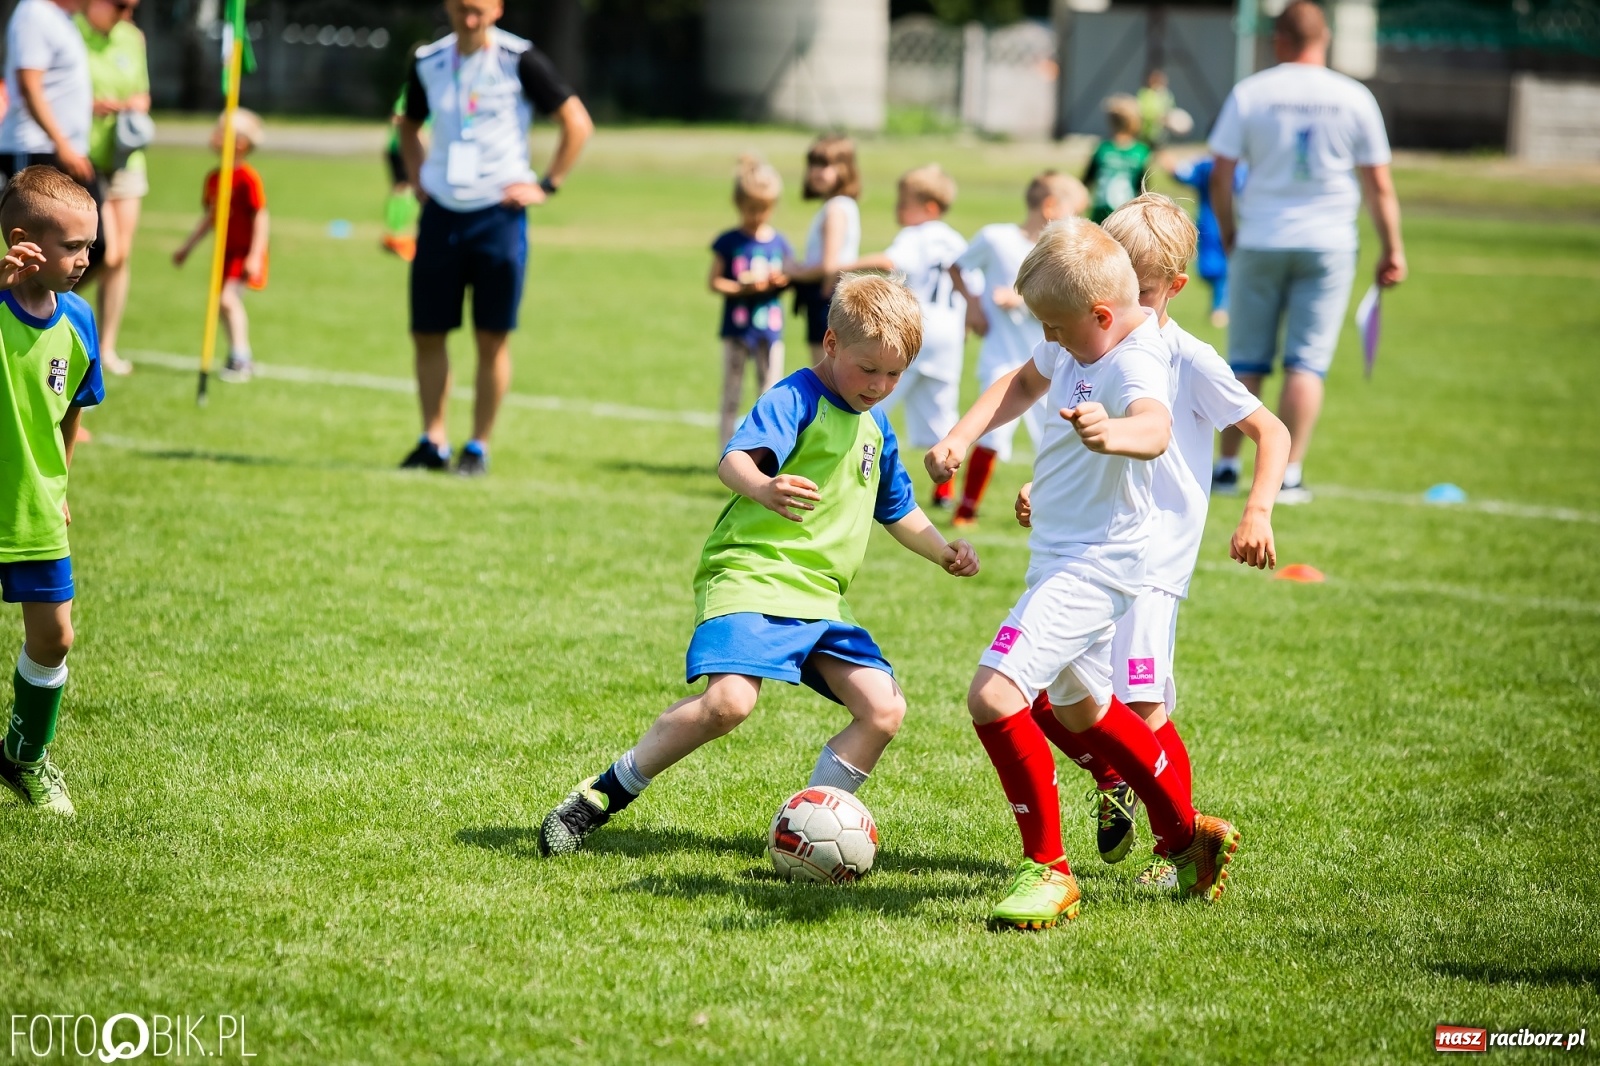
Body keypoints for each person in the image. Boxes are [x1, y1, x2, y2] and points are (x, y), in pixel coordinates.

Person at [536, 274, 980, 856]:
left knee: (883, 708)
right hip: (752, 573)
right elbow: (733, 462)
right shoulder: (795, 398)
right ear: (830, 344)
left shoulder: (875, 428)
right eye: (868, 369)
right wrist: (765, 486)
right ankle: (600, 795)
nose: (879, 385)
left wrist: (943, 551)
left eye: (894, 374)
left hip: (818, 597)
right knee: (728, 705)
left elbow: (896, 509)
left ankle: (805, 832)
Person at [925, 218, 1239, 929]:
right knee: (1081, 711)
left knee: (994, 696)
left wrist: (1113, 433)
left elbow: (1154, 427)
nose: (1052, 341)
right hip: (1062, 559)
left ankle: (1049, 871)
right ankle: (1187, 838)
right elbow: (1019, 379)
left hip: (1096, 566)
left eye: (1058, 328)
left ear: (1102, 315)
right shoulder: (1073, 343)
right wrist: (961, 435)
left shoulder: (1134, 359)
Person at [1015, 193, 1288, 888]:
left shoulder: (1184, 357)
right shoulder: (1094, 345)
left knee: (1141, 704)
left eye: (1138, 287)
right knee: (1057, 695)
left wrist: (1257, 509)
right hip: (1097, 544)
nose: (1120, 299)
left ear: (1173, 288)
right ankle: (1125, 785)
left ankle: (1186, 844)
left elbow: (1271, 431)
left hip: (1151, 557)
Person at [1209, 0, 1406, 504]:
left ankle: (1228, 467)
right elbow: (1379, 185)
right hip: (1329, 243)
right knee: (1306, 364)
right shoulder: (1354, 96)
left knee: (1244, 360)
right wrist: (1393, 248)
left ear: (1278, 41)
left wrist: (1230, 231)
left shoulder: (1251, 92)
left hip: (1261, 237)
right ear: (1326, 38)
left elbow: (1222, 175)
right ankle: (1289, 474)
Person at [395, 0, 593, 477]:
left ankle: (478, 447)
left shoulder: (519, 59)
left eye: (479, 9)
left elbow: (577, 122)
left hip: (498, 217)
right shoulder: (428, 61)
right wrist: (418, 178)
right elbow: (407, 123)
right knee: (427, 333)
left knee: (491, 338)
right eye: (462, 8)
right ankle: (433, 440)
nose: (469, 19)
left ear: (498, 8)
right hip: (442, 216)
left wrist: (547, 185)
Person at [0, 166, 105, 816]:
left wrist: (59, 481)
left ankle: (23, 754)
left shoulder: (79, 321)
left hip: (35, 508)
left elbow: (73, 407)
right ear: (25, 243)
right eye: (72, 247)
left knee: (55, 638)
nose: (84, 260)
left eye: (89, 246)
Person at [945, 170, 1087, 526]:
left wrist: (1020, 301)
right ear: (1052, 207)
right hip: (1001, 354)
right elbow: (958, 267)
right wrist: (974, 306)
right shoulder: (996, 238)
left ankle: (1057, 507)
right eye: (1075, 212)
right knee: (993, 432)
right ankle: (966, 509)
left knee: (1053, 435)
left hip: (1047, 361)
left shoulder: (1060, 252)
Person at [841, 164, 968, 511]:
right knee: (941, 409)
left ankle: (848, 463)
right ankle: (944, 491)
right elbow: (971, 288)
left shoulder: (917, 234)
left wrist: (844, 266)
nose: (898, 208)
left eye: (904, 201)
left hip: (915, 328)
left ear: (928, 207)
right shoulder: (957, 239)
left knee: (874, 398)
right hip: (951, 333)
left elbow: (889, 261)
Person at [77, 0, 148, 376]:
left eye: (132, 8)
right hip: (83, 158)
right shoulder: (73, 31)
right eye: (120, 6)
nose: (126, 15)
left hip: (125, 157)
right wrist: (90, 106)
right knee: (105, 251)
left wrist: (132, 104)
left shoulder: (132, 38)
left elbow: (143, 92)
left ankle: (106, 348)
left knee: (121, 257)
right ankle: (46, 304)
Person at [0, 0, 100, 268]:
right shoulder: (34, 13)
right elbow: (28, 86)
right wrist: (62, 143)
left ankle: (50, 306)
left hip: (64, 149)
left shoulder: (63, 19)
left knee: (95, 246)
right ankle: (19, 305)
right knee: (37, 249)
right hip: (35, 146)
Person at [171, 109, 268, 383]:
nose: (213, 136)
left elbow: (261, 215)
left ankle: (242, 358)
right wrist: (187, 248)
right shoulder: (214, 178)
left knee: (228, 301)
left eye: (220, 132)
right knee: (223, 305)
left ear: (241, 143)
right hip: (223, 253)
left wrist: (255, 255)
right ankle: (237, 354)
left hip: (243, 253)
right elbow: (210, 219)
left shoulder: (248, 178)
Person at [709, 156, 790, 448]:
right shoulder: (729, 241)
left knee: (769, 392)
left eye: (763, 209)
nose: (756, 215)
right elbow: (715, 281)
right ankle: (725, 451)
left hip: (769, 328)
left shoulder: (779, 242)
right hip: (738, 329)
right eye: (750, 209)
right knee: (731, 392)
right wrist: (741, 286)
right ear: (738, 204)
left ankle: (764, 452)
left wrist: (779, 281)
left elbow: (789, 275)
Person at [785, 134, 861, 368]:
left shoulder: (835, 209)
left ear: (844, 169)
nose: (817, 172)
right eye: (813, 165)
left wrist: (792, 271)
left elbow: (828, 266)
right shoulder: (842, 205)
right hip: (834, 296)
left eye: (825, 165)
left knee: (826, 372)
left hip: (826, 298)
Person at [1165, 151, 1245, 329]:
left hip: (1212, 221)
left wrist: (1171, 166)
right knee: (1216, 267)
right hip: (1218, 220)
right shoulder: (1231, 166)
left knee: (1222, 268)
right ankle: (1220, 307)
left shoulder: (1208, 165)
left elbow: (1182, 174)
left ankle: (1220, 308)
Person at [1083, 94, 1150, 224]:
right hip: (1126, 215)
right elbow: (1144, 190)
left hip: (1100, 213)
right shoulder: (1141, 151)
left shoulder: (1103, 149)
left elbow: (1087, 181)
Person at [1137, 69, 1174, 147]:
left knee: (1160, 150)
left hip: (1161, 131)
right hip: (1146, 131)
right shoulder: (1145, 93)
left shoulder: (1167, 95)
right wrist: (1156, 117)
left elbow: (1171, 109)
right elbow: (1141, 110)